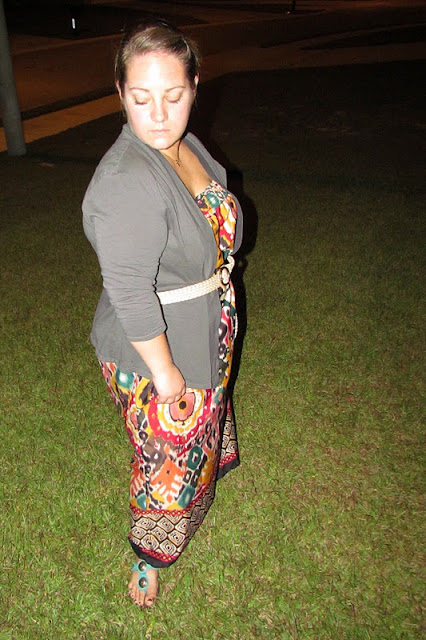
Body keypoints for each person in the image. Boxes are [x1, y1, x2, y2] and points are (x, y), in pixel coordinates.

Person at [82, 20, 243, 608]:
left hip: (201, 326)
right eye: (140, 98)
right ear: (119, 93)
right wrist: (167, 373)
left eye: (173, 96)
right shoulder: (125, 180)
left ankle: (203, 480)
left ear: (195, 87)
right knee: (165, 462)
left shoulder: (185, 146)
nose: (157, 115)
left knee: (198, 436)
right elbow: (129, 292)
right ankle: (148, 559)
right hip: (156, 348)